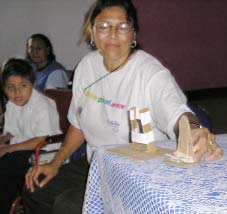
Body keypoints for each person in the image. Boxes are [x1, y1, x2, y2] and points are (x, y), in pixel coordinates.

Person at [23, 0, 223, 213]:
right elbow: (78, 124)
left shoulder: (150, 74)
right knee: (35, 190)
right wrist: (56, 163)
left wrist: (193, 129)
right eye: (104, 26)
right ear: (92, 31)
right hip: (97, 164)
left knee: (69, 205)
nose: (113, 34)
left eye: (123, 27)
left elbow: (176, 111)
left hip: (140, 172)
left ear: (133, 34)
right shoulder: (86, 68)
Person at [0, 58, 61, 213]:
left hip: (44, 152)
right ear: (4, 89)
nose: (17, 93)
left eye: (23, 86)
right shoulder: (12, 104)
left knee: (6, 166)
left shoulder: (43, 105)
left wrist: (7, 149)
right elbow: (10, 132)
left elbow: (40, 140)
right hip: (20, 149)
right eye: (10, 88)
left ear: (33, 85)